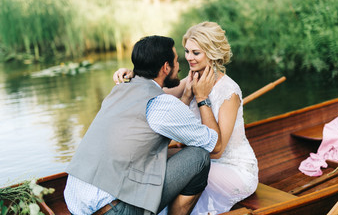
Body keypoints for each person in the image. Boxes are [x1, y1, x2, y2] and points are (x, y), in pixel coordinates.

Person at [64, 35, 223, 215]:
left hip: (75, 205)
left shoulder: (119, 89)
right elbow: (215, 146)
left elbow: (160, 114)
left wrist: (186, 96)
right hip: (113, 211)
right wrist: (202, 98)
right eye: (177, 61)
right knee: (199, 156)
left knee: (167, 153)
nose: (180, 66)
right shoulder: (160, 104)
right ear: (165, 67)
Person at [113, 22, 259, 214]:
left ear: (212, 53)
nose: (188, 57)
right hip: (199, 159)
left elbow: (217, 151)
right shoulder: (192, 77)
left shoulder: (229, 92)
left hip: (232, 168)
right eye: (187, 51)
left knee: (168, 168)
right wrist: (135, 74)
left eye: (195, 53)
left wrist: (202, 98)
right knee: (153, 159)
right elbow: (157, 90)